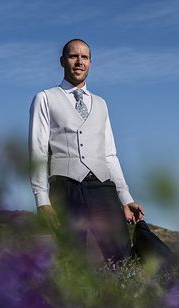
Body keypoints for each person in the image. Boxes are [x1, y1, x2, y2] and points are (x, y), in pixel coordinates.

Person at [29, 39, 144, 261]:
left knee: (121, 258)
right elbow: (38, 152)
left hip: (103, 188)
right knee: (73, 262)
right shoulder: (44, 98)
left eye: (85, 57)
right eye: (73, 56)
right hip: (65, 189)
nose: (79, 62)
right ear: (62, 61)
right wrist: (42, 200)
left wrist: (125, 198)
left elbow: (110, 154)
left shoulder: (101, 103)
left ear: (90, 63)